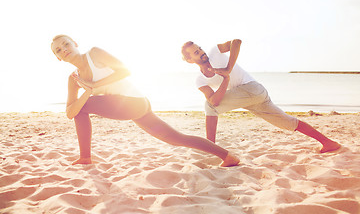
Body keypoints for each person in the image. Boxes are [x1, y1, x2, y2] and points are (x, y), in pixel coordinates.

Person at [50, 34, 239, 167]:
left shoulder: (94, 54)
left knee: (83, 108)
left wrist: (91, 84)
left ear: (74, 42)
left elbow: (125, 70)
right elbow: (70, 112)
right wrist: (87, 91)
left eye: (66, 44)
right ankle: (227, 156)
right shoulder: (73, 79)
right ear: (57, 58)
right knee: (176, 138)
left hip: (133, 101)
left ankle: (85, 157)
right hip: (131, 107)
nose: (64, 49)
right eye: (58, 50)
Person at [181, 39, 341, 153]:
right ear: (190, 60)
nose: (201, 52)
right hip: (250, 99)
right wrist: (225, 79)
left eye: (199, 48)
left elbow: (236, 42)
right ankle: (328, 143)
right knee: (288, 122)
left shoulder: (215, 52)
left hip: (252, 89)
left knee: (208, 106)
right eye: (196, 52)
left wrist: (228, 69)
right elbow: (215, 100)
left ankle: (211, 148)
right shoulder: (200, 79)